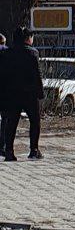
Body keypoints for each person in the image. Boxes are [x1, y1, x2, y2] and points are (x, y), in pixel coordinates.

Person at [1, 27, 45, 161]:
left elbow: (3, 75)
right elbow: (37, 74)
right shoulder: (33, 53)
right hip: (29, 94)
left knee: (11, 123)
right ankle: (34, 150)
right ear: (28, 38)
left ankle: (9, 151)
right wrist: (40, 92)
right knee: (35, 121)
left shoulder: (7, 53)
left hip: (12, 94)